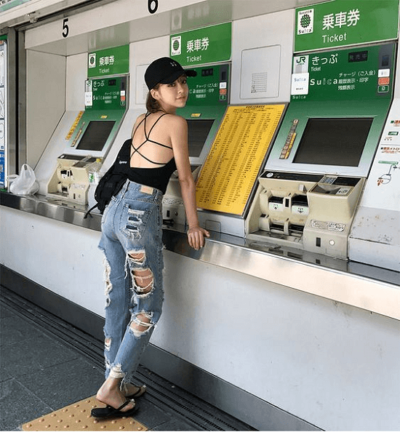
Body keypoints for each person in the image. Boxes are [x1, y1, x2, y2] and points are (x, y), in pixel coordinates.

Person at [91, 57, 210, 419]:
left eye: (183, 82)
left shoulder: (140, 120)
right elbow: (185, 179)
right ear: (155, 92)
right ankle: (112, 387)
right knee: (149, 305)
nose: (181, 89)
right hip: (139, 214)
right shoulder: (176, 123)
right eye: (172, 84)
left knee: (117, 299)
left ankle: (118, 379)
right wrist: (193, 224)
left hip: (114, 212)